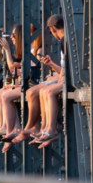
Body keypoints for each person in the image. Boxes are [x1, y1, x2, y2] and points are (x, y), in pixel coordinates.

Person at [12, 16, 67, 147]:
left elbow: (68, 71)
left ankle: (50, 129)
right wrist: (52, 65)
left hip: (68, 79)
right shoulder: (64, 41)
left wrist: (57, 77)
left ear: (53, 29)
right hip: (63, 77)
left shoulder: (65, 41)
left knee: (47, 91)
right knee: (38, 91)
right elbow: (65, 69)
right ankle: (43, 128)